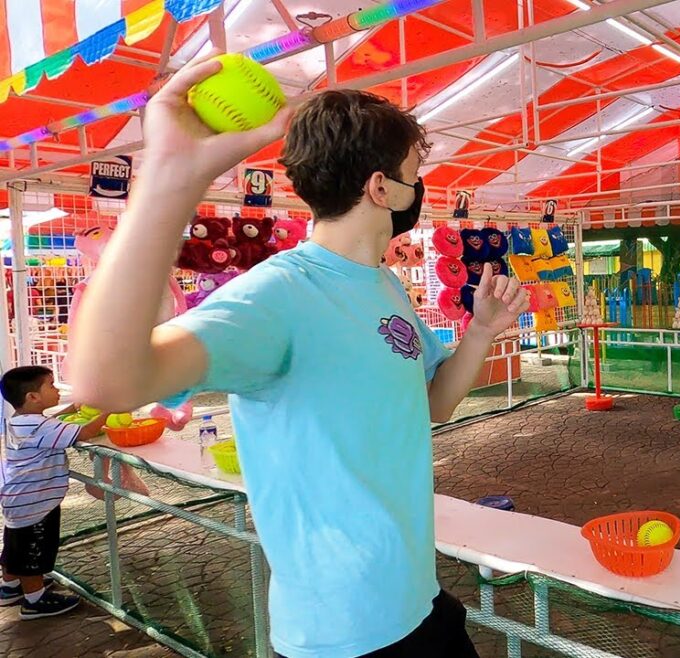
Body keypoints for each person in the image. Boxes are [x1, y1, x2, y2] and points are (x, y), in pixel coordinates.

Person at [68, 53, 530, 658]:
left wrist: (481, 332)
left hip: (416, 598)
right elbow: (108, 380)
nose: (420, 189)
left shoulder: (382, 284)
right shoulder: (279, 295)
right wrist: (170, 182)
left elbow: (432, 405)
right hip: (343, 635)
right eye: (416, 173)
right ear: (380, 187)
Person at [0, 366, 108, 618]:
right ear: (33, 398)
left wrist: (71, 409)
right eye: (51, 385)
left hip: (19, 500)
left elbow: (50, 424)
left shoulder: (19, 421)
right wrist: (110, 410)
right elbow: (85, 432)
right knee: (33, 553)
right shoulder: (40, 427)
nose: (57, 389)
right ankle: (35, 600)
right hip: (36, 503)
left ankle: (9, 587)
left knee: (16, 547)